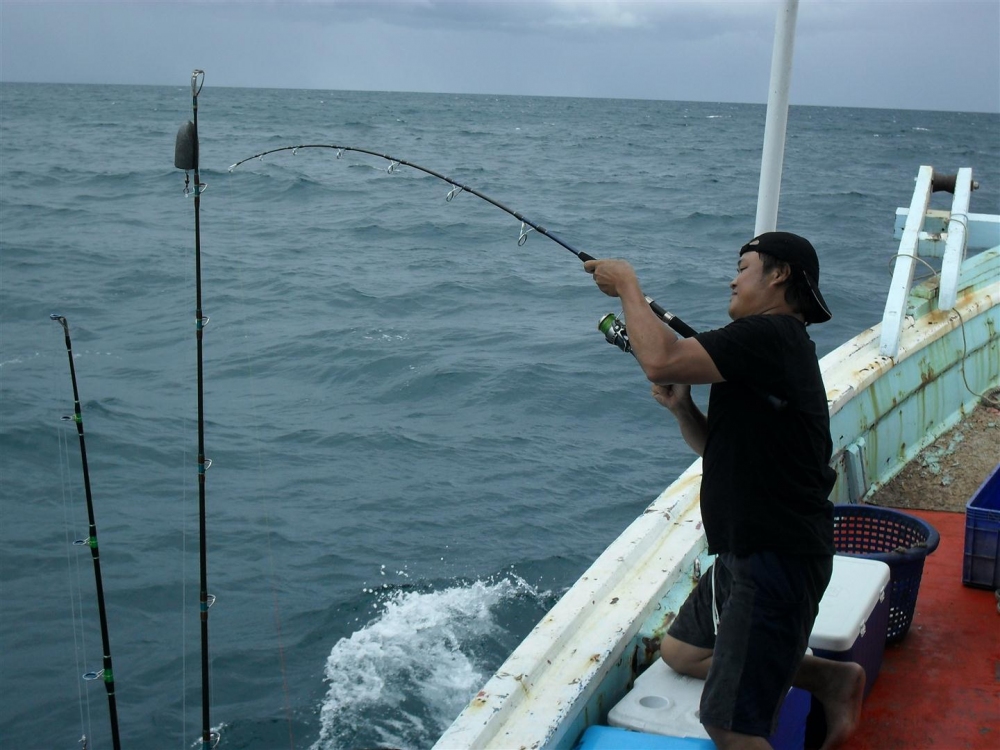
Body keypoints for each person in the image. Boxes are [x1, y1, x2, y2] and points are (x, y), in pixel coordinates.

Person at [584, 232, 865, 750]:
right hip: (743, 549)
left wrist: (626, 282)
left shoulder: (773, 334)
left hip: (776, 557)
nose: (732, 279)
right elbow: (718, 448)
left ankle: (806, 684)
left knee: (729, 726)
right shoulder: (767, 350)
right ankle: (829, 678)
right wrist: (682, 409)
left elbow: (661, 359)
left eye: (743, 266)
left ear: (779, 275)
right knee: (681, 652)